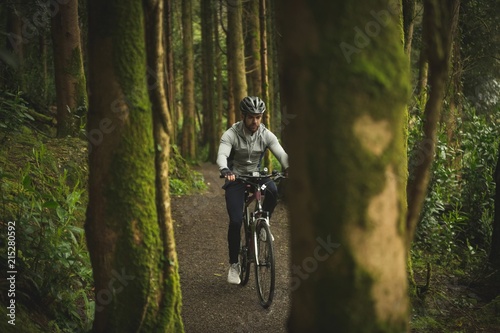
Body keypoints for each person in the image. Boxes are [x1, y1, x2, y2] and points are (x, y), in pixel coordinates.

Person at [217, 96, 289, 284]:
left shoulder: (266, 134)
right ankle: (234, 265)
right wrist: (225, 169)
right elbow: (222, 153)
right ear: (243, 116)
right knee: (235, 221)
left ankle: (263, 222)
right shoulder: (232, 133)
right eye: (251, 117)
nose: (255, 121)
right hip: (236, 177)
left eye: (258, 117)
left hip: (257, 176)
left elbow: (281, 153)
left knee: (272, 190)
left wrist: (289, 167)